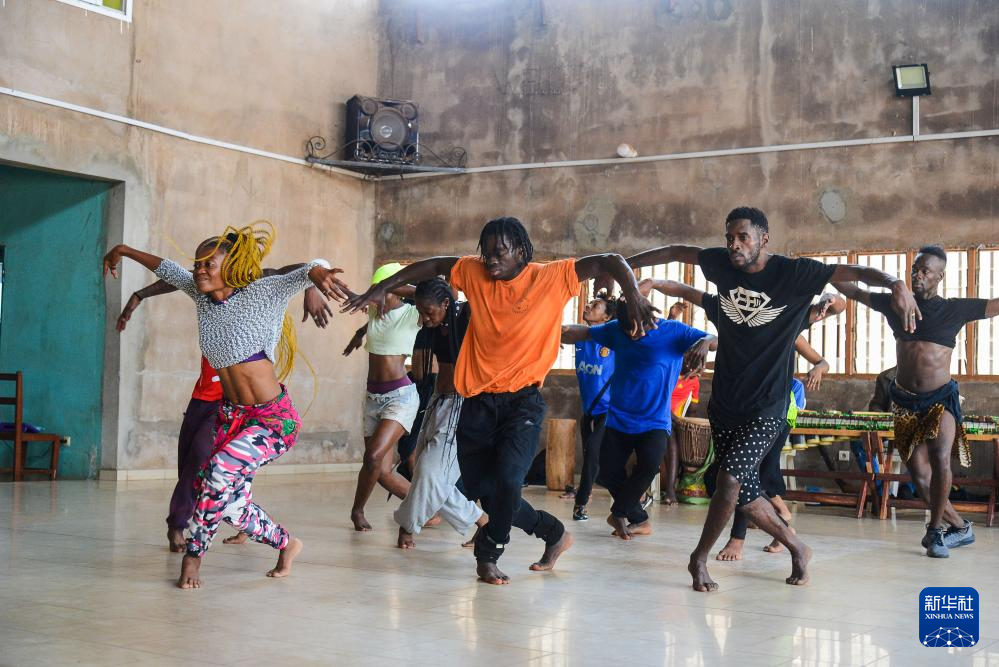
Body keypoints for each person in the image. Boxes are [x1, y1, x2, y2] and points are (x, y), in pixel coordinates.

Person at [344, 216, 654, 585]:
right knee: (488, 493)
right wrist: (382, 288)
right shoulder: (474, 272)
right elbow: (435, 265)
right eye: (486, 252)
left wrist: (634, 295)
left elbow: (609, 260)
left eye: (499, 252)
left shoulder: (552, 277)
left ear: (521, 251)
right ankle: (554, 533)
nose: (490, 259)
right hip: (476, 404)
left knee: (508, 481)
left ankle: (488, 554)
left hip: (521, 403)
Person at [628, 206, 918, 591]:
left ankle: (698, 558)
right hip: (725, 404)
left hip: (768, 407)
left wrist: (896, 283)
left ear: (764, 238)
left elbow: (853, 273)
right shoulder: (721, 267)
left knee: (730, 478)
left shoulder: (793, 274)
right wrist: (626, 266)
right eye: (729, 238)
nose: (734, 245)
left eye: (743, 237)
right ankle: (798, 547)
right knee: (745, 492)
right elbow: (676, 251)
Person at [103, 223, 347, 588]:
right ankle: (287, 544)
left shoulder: (262, 293)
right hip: (232, 417)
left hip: (272, 420)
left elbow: (310, 266)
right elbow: (168, 268)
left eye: (209, 264)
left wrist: (316, 277)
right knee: (230, 505)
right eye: (198, 264)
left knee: (218, 471)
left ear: (231, 266)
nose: (199, 270)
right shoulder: (201, 296)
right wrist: (123, 250)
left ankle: (193, 559)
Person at [641, 277, 843, 558]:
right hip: (736, 411)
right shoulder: (736, 322)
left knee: (743, 475)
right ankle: (783, 525)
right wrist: (653, 285)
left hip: (772, 413)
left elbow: (836, 314)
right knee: (723, 477)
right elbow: (691, 296)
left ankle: (740, 538)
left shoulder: (786, 324)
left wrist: (827, 302)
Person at [835, 245, 999, 557]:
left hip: (941, 399)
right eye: (915, 269)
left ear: (940, 276)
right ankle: (959, 527)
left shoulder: (954, 309)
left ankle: (935, 531)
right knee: (920, 477)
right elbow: (851, 290)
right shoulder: (894, 305)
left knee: (940, 457)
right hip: (905, 402)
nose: (918, 275)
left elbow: (995, 305)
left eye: (925, 271)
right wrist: (823, 273)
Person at [561, 300, 716, 539]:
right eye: (627, 330)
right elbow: (584, 332)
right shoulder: (615, 329)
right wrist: (553, 332)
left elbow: (714, 339)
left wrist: (705, 342)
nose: (632, 334)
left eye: (635, 328)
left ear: (649, 318)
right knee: (607, 472)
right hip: (619, 418)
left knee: (649, 466)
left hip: (654, 420)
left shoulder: (674, 331)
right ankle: (639, 519)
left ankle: (619, 512)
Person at [394, 277, 489, 548]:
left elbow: (480, 297)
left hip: (462, 406)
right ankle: (483, 522)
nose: (424, 319)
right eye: (420, 312)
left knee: (429, 472)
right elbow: (407, 290)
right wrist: (381, 287)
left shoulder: (464, 317)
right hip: (438, 402)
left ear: (446, 303)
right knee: (428, 473)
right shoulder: (437, 322)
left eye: (428, 312)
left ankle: (407, 526)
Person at [342, 263, 422, 532]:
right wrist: (359, 334)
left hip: (401, 397)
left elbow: (435, 294)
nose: (377, 298)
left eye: (383, 292)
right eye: (374, 291)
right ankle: (426, 509)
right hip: (373, 398)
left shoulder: (413, 313)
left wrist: (390, 285)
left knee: (373, 456)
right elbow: (367, 316)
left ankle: (357, 511)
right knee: (382, 472)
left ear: (397, 291)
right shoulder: (376, 311)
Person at [564, 290, 617, 522]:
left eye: (595, 305)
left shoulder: (614, 338)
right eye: (589, 303)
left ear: (607, 317)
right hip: (589, 411)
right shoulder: (579, 337)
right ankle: (634, 499)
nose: (588, 306)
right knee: (594, 459)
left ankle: (581, 503)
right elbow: (560, 330)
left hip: (609, 410)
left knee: (594, 453)